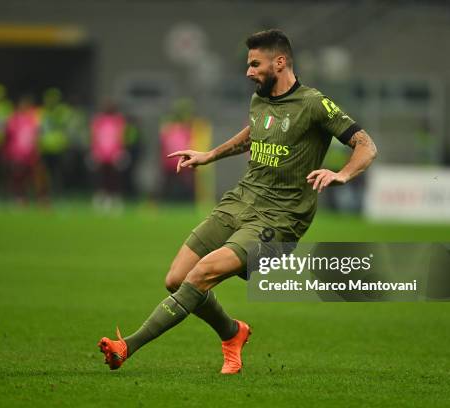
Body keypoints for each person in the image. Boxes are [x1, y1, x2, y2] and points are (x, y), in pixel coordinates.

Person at [98, 29, 377, 374]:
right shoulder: (260, 99)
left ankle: (127, 346)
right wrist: (210, 155)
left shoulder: (314, 103)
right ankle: (233, 333)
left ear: (280, 62)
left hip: (279, 220)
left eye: (254, 64)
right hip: (240, 201)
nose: (248, 72)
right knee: (176, 279)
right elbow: (254, 132)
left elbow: (366, 145)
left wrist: (342, 174)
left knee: (200, 275)